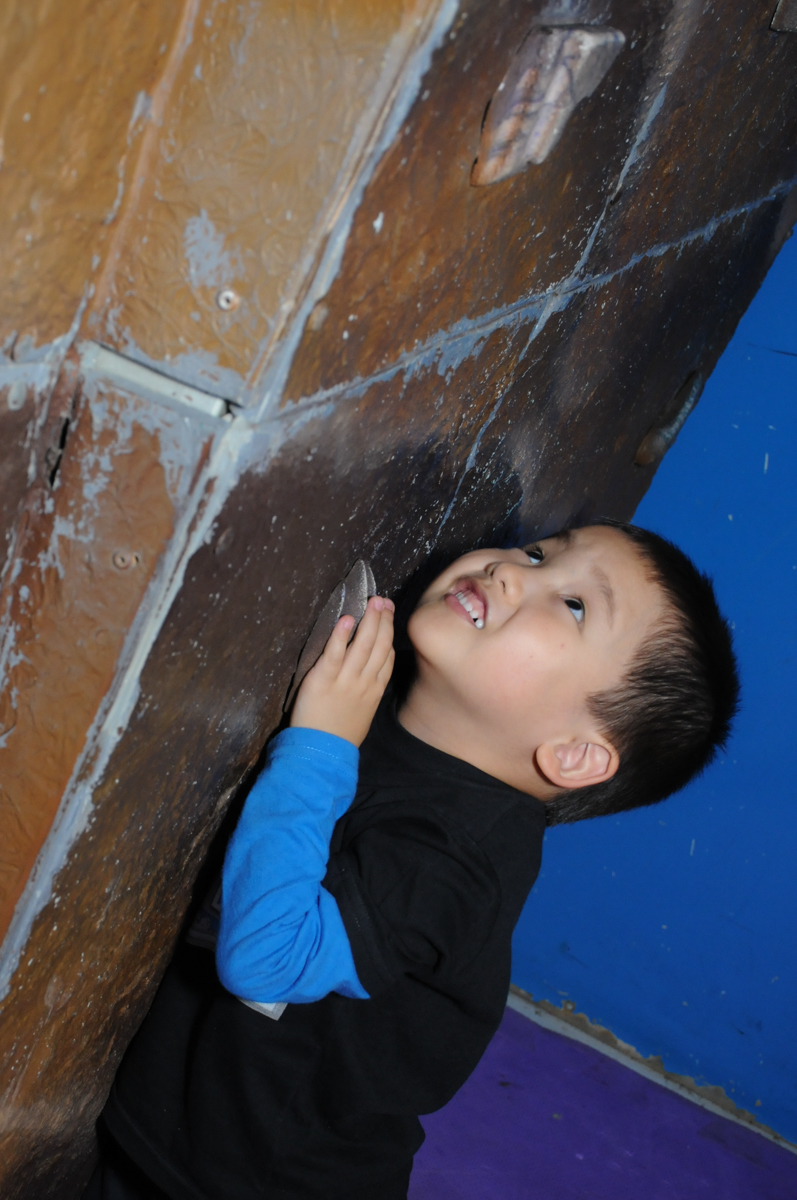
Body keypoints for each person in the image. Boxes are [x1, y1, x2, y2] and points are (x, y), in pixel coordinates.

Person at [84, 521, 739, 1200]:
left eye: (574, 605)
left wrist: (319, 742)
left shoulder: (455, 863)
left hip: (260, 1178)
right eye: (540, 552)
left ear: (572, 753)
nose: (512, 569)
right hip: (179, 1128)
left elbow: (266, 958)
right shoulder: (397, 711)